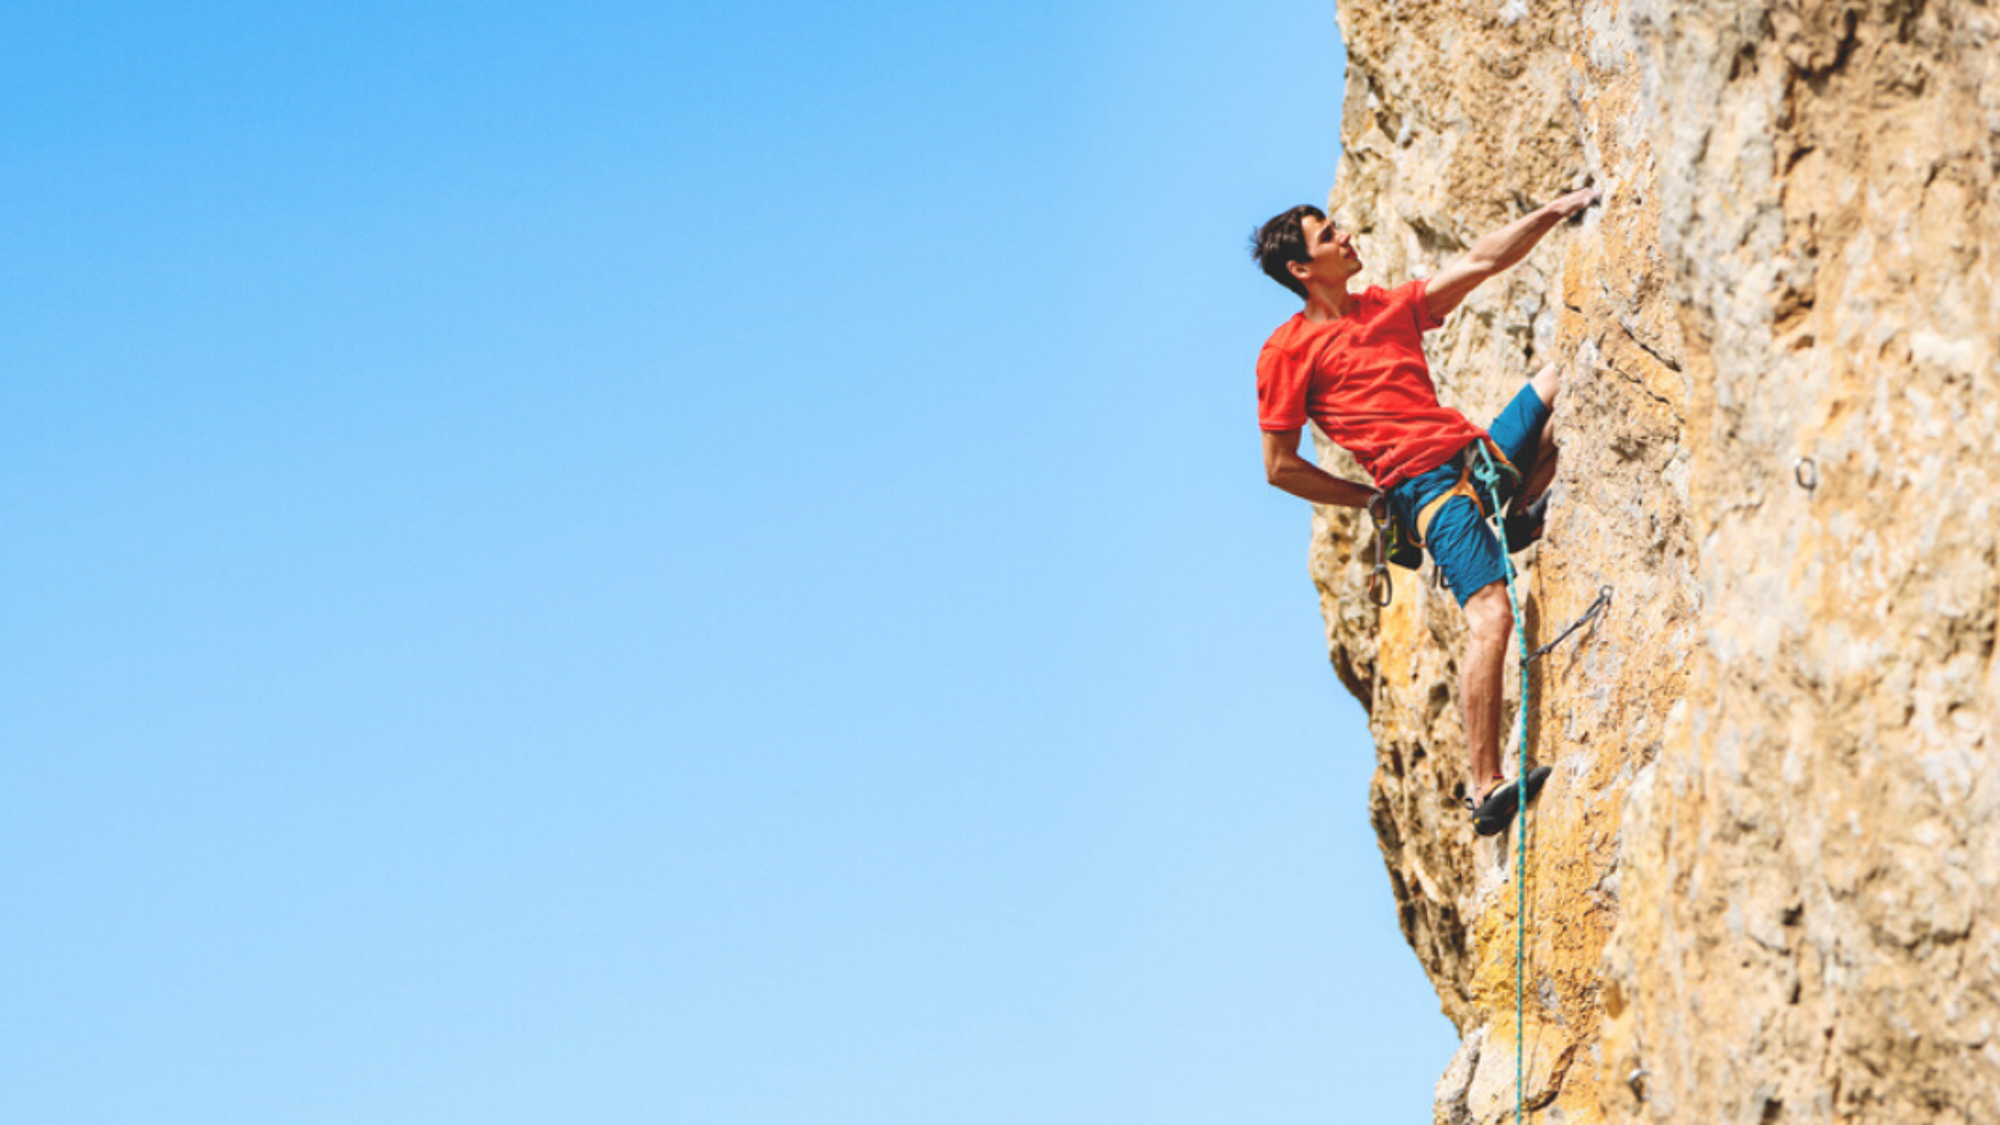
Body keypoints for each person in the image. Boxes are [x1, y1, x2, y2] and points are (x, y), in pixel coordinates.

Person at [1250, 189, 1599, 836]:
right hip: (1427, 491)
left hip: (1475, 457)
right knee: (1491, 614)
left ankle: (1517, 513)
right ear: (1302, 269)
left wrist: (1555, 210)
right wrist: (1368, 498)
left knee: (1567, 374)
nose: (1346, 235)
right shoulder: (1287, 352)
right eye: (1329, 235)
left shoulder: (1384, 308)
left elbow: (1479, 261)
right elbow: (1279, 465)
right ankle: (1485, 785)